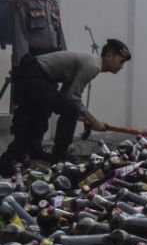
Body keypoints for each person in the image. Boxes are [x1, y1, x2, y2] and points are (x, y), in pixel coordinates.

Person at [0, 39, 131, 175]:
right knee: (54, 117)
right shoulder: (93, 66)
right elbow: (73, 99)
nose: (122, 66)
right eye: (121, 61)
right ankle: (57, 155)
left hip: (35, 75)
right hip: (33, 75)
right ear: (109, 56)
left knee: (40, 121)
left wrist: (86, 119)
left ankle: (34, 152)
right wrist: (93, 120)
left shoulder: (91, 64)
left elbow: (66, 96)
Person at [12, 0, 66, 67]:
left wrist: (65, 60)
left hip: (53, 60)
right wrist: (24, 64)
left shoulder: (53, 5)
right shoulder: (23, 1)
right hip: (33, 59)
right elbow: (20, 34)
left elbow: (60, 35)